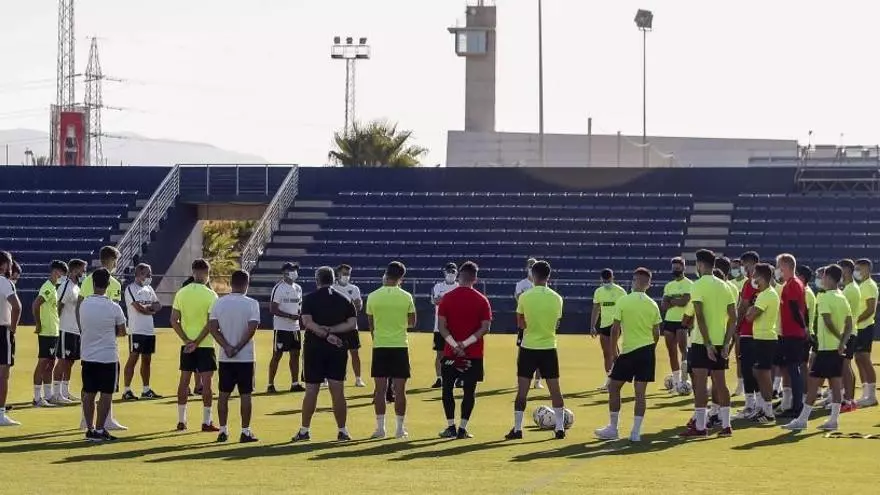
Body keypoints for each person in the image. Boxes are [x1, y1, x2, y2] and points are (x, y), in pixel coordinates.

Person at [782, 264, 852, 431]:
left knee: (813, 384)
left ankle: (802, 420)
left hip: (826, 349)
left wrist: (839, 339)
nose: (821, 280)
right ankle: (833, 420)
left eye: (823, 276)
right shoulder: (842, 297)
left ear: (828, 278)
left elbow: (827, 321)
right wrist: (842, 342)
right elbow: (849, 324)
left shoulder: (824, 297)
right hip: (836, 349)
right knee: (835, 384)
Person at [594, 267, 661, 442]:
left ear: (634, 281)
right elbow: (656, 333)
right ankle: (635, 433)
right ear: (649, 284)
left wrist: (613, 351)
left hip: (629, 351)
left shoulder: (623, 301)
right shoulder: (652, 304)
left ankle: (613, 428)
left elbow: (615, 329)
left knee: (614, 387)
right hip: (647, 351)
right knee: (640, 394)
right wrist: (650, 349)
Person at [292, 267, 358, 442]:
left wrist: (325, 334)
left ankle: (304, 430)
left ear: (317, 280)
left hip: (314, 348)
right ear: (333, 279)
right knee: (338, 390)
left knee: (311, 390)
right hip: (338, 348)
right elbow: (351, 323)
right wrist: (333, 331)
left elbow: (307, 322)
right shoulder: (345, 299)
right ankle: (343, 431)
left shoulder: (309, 298)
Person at [506, 260, 566, 440]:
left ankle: (518, 429)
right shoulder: (557, 298)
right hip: (549, 347)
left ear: (533, 275)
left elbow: (520, 323)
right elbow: (557, 322)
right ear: (549, 276)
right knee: (555, 390)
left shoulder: (525, 297)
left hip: (528, 348)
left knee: (522, 391)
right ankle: (560, 428)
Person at [680, 249, 737, 438]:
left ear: (700, 264)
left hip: (701, 343)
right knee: (721, 384)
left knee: (700, 384)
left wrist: (707, 344)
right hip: (721, 342)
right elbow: (733, 318)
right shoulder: (725, 286)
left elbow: (699, 315)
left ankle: (701, 426)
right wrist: (727, 343)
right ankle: (726, 425)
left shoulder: (698, 285)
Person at [437, 261, 492, 439]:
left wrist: (455, 345)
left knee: (447, 389)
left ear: (459, 276)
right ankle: (462, 428)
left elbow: (442, 327)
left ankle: (450, 426)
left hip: (450, 352)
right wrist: (465, 344)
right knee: (469, 391)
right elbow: (485, 327)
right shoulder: (482, 300)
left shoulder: (447, 297)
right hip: (473, 353)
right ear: (475, 278)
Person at [76, 245, 125, 431]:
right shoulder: (114, 283)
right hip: (106, 344)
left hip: (89, 339)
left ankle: (86, 420)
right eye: (116, 260)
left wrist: (83, 329)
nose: (117, 264)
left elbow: (79, 305)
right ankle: (105, 421)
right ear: (111, 260)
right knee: (106, 387)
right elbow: (118, 321)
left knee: (88, 386)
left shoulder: (88, 280)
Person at [208, 270, 260, 443]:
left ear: (231, 283)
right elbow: (251, 329)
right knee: (246, 395)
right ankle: (245, 431)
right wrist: (237, 347)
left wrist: (227, 347)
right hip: (245, 357)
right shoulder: (252, 303)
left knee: (223, 394)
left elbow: (213, 328)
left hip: (226, 357)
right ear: (246, 284)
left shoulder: (219, 303)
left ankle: (223, 430)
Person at [367, 261, 416, 439]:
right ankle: (400, 429)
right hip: (400, 345)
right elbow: (412, 322)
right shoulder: (406, 296)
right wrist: (398, 324)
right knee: (400, 390)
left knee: (380, 390)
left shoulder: (373, 296)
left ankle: (380, 428)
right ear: (401, 277)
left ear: (386, 274)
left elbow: (371, 324)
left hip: (380, 346)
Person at [171, 258, 219, 432]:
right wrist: (197, 342)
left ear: (193, 272)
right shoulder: (211, 295)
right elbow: (211, 324)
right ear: (207, 273)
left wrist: (187, 341)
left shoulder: (181, 293)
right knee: (207, 383)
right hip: (205, 345)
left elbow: (174, 320)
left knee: (184, 381)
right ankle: (206, 421)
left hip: (187, 345)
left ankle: (181, 421)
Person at [743, 263, 780, 423]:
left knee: (763, 373)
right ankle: (764, 408)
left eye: (755, 275)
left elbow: (750, 317)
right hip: (761, 338)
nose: (753, 278)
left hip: (765, 338)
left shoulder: (766, 295)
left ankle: (768, 412)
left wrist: (750, 311)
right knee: (759, 372)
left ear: (761, 277)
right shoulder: (765, 294)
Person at [121, 263, 162, 400]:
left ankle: (146, 389)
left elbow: (158, 305)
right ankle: (127, 390)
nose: (150, 276)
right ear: (139, 274)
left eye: (150, 274)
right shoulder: (131, 288)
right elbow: (138, 308)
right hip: (136, 330)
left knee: (147, 360)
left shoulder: (149, 288)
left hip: (149, 330)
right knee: (133, 358)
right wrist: (150, 310)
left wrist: (150, 309)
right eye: (147, 274)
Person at [774, 254, 807, 417]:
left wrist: (802, 327)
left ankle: (797, 406)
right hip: (791, 332)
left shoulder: (793, 284)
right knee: (791, 369)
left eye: (779, 266)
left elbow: (795, 308)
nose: (778, 269)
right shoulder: (791, 283)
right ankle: (794, 404)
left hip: (793, 333)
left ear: (786, 266)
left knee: (794, 369)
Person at [31, 260, 67, 407]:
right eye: (62, 273)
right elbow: (35, 304)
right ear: (55, 271)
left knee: (50, 363)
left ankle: (48, 395)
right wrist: (38, 324)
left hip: (53, 331)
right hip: (47, 331)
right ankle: (37, 398)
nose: (62, 276)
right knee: (43, 362)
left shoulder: (52, 287)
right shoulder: (47, 287)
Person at [52, 258, 87, 403]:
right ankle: (56, 394)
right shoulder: (66, 286)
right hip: (65, 329)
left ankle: (65, 392)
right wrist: (57, 327)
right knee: (62, 360)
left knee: (70, 361)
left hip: (75, 330)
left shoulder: (77, 287)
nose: (84, 273)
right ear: (75, 270)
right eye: (83, 270)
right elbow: (58, 307)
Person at [268, 262, 304, 393]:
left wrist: (298, 315)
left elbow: (299, 306)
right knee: (277, 355)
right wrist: (289, 316)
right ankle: (270, 384)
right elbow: (273, 309)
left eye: (295, 269)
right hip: (281, 327)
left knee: (295, 354)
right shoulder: (279, 288)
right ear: (285, 272)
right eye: (292, 270)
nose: (295, 272)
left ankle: (295, 383)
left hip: (295, 328)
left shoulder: (298, 288)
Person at [733, 251, 761, 420]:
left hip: (749, 331)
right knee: (757, 369)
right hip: (761, 332)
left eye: (744, 265)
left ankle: (751, 405)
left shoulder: (750, 283)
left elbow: (743, 306)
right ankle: (759, 404)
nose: (743, 268)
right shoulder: (767, 283)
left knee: (748, 368)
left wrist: (736, 326)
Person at [590, 268, 626, 391]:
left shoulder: (620, 291)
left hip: (615, 324)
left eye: (608, 279)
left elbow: (625, 309)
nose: (606, 282)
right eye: (604, 280)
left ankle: (617, 378)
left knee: (613, 352)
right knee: (607, 353)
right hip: (604, 325)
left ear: (612, 278)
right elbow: (596, 308)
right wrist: (592, 325)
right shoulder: (598, 292)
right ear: (601, 279)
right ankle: (609, 380)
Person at [661, 257, 693, 391]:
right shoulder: (669, 285)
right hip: (669, 320)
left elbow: (684, 302)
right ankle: (675, 382)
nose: (675, 270)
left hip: (682, 321)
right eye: (674, 268)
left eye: (678, 267)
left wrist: (671, 300)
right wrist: (676, 300)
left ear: (683, 268)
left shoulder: (689, 284)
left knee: (683, 350)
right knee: (671, 351)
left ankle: (684, 380)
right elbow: (663, 305)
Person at [333, 264, 366, 387]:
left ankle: (358, 378)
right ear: (338, 274)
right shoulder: (332, 288)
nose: (346, 276)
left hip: (351, 326)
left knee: (354, 352)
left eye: (348, 274)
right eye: (344, 273)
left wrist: (348, 310)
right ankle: (330, 377)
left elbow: (358, 305)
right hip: (336, 327)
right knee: (334, 353)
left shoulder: (354, 288)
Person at [0, 251, 21, 426]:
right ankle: (0, 414)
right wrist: (13, 329)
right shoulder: (5, 282)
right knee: (3, 374)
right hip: (2, 330)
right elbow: (17, 306)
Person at [853, 259, 878, 407]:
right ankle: (865, 394)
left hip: (865, 327)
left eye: (860, 269)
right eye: (856, 268)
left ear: (868, 269)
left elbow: (870, 309)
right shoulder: (862, 285)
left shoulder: (869, 285)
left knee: (865, 359)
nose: (857, 271)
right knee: (858, 359)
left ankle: (872, 396)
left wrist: (855, 320)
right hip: (859, 327)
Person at [515, 257, 542, 389]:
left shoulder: (542, 285)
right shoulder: (521, 284)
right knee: (523, 352)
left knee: (540, 351)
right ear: (527, 268)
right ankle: (521, 379)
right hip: (525, 322)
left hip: (539, 322)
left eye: (534, 266)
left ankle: (537, 381)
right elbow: (519, 300)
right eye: (530, 266)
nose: (531, 268)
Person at [431, 263, 459, 388]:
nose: (451, 274)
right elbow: (436, 301)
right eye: (449, 271)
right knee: (440, 354)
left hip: (455, 326)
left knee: (455, 353)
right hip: (439, 327)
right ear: (444, 272)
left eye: (453, 271)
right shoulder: (438, 286)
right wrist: (452, 299)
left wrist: (444, 299)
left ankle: (454, 378)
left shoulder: (459, 286)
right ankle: (439, 378)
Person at [838, 258, 861, 411]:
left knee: (845, 366)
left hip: (848, 332)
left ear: (846, 270)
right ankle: (848, 399)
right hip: (850, 331)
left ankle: (848, 399)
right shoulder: (850, 287)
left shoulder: (850, 289)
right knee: (845, 366)